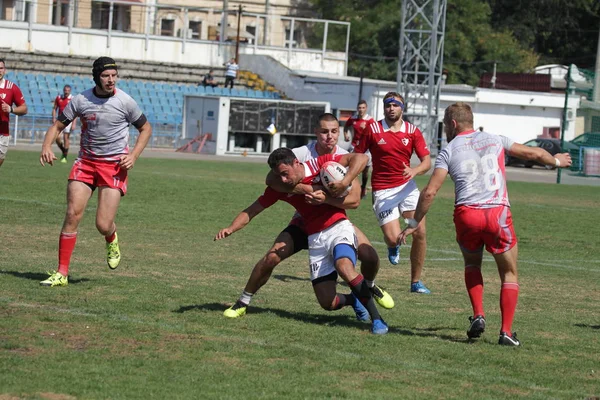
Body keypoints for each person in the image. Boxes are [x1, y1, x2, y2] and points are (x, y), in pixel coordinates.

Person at [398, 102, 573, 346]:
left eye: (446, 124)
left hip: (467, 215)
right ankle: (506, 332)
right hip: (497, 214)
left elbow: (429, 192)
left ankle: (479, 314)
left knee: (472, 263)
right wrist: (556, 162)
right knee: (509, 272)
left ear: (453, 124)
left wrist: (414, 221)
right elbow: (533, 154)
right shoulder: (496, 139)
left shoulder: (448, 151)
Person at [219, 113, 394, 321]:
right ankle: (242, 302)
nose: (329, 136)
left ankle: (370, 288)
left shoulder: (337, 159)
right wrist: (231, 227)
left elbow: (355, 200)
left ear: (339, 133)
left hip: (334, 219)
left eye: (333, 131)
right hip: (303, 223)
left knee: (370, 256)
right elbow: (266, 189)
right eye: (324, 131)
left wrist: (333, 190)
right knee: (271, 258)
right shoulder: (301, 155)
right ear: (316, 133)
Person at [39, 56, 153, 287]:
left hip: (113, 166)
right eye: (106, 76)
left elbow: (145, 128)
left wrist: (133, 156)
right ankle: (62, 273)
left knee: (102, 224)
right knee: (72, 214)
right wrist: (46, 146)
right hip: (86, 163)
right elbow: (58, 126)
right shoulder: (81, 100)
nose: (111, 80)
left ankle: (111, 237)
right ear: (96, 77)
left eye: (114, 76)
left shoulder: (125, 102)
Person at [353, 92, 431, 294]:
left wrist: (414, 171)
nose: (391, 108)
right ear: (384, 108)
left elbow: (427, 162)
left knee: (420, 231)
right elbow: (359, 156)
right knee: (394, 238)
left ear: (402, 108)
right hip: (383, 191)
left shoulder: (412, 132)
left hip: (407, 187)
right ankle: (392, 245)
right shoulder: (373, 129)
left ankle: (415, 282)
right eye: (388, 105)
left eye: (395, 105)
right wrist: (351, 179)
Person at [344, 100, 375, 198]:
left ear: (366, 108)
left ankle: (364, 187)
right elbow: (346, 127)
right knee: (351, 168)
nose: (361, 110)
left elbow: (374, 132)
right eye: (359, 108)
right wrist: (346, 135)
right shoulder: (353, 118)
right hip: (354, 146)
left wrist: (366, 128)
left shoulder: (370, 120)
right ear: (357, 109)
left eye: (363, 108)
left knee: (365, 171)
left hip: (366, 148)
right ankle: (349, 188)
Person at [0, 58, 28, 169]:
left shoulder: (11, 88)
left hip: (2, 133)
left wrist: (11, 109)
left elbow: (24, 109)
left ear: (4, 70)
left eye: (1, 68)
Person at [53, 84, 77, 163]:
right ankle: (64, 150)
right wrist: (54, 117)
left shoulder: (72, 99)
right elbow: (54, 108)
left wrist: (74, 123)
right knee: (57, 138)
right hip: (60, 120)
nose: (66, 92)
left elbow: (75, 112)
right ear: (63, 90)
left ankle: (64, 157)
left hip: (68, 120)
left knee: (66, 138)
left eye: (68, 91)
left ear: (70, 91)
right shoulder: (59, 98)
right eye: (65, 90)